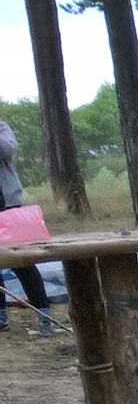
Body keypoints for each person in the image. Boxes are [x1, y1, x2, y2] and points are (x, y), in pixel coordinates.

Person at [1, 119, 58, 337]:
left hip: (8, 204)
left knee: (22, 263)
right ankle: (1, 318)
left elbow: (8, 148)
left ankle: (45, 319)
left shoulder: (2, 127)